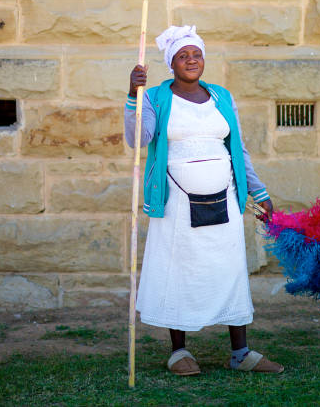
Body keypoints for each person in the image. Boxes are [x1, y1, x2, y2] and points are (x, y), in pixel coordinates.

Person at [124, 25, 284, 376]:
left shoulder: (222, 97)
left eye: (196, 54)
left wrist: (259, 192)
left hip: (225, 199)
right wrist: (133, 96)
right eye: (183, 56)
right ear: (172, 64)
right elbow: (139, 139)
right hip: (176, 204)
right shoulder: (154, 97)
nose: (191, 60)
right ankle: (179, 352)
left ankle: (241, 353)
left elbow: (237, 149)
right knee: (179, 270)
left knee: (229, 270)